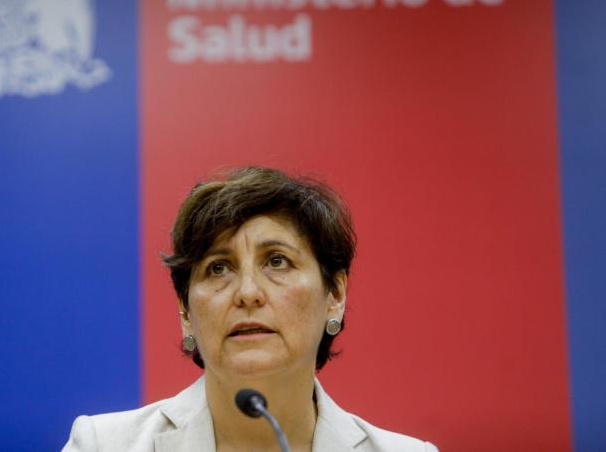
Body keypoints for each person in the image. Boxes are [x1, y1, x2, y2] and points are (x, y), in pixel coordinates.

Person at [62, 167, 438, 451]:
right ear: (186, 312)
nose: (247, 293)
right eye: (218, 268)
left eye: (277, 261)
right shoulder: (103, 446)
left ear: (335, 295)